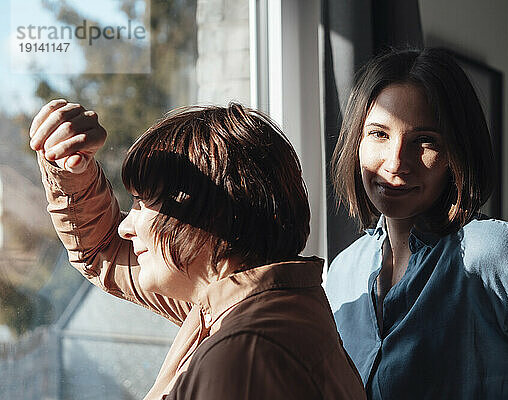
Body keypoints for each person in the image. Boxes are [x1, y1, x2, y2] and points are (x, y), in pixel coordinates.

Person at [30, 100, 366, 400]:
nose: (125, 226)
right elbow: (104, 250)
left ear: (208, 214)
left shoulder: (243, 357)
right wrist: (68, 168)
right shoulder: (240, 303)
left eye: (143, 203)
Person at [325, 48, 508, 399]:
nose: (396, 163)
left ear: (457, 153)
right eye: (379, 134)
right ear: (355, 142)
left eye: (425, 141)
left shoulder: (494, 253)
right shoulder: (343, 272)